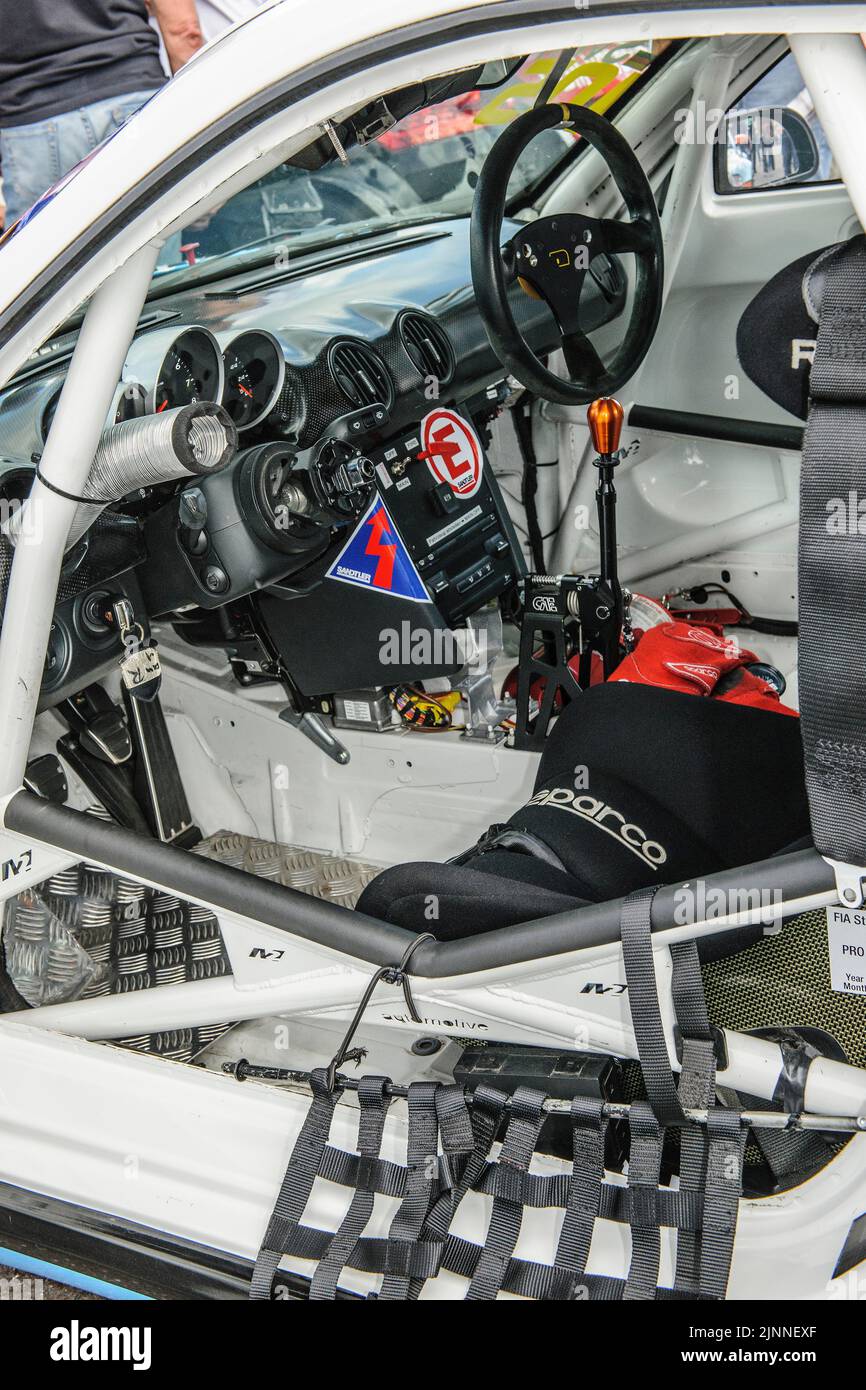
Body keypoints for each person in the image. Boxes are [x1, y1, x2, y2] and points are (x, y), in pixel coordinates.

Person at [0, 0, 205, 230]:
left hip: (30, 118)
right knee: (151, 249)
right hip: (134, 94)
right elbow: (184, 29)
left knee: (35, 257)